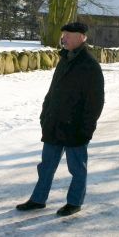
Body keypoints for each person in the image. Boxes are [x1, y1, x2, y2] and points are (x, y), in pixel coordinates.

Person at [16, 21, 105, 217]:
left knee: (77, 169)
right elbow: (52, 92)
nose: (63, 38)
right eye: (63, 34)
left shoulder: (90, 65)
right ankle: (38, 199)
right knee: (46, 166)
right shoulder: (64, 59)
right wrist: (45, 114)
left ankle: (74, 202)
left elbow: (95, 102)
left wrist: (86, 129)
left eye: (67, 35)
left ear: (81, 37)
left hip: (75, 128)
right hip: (54, 124)